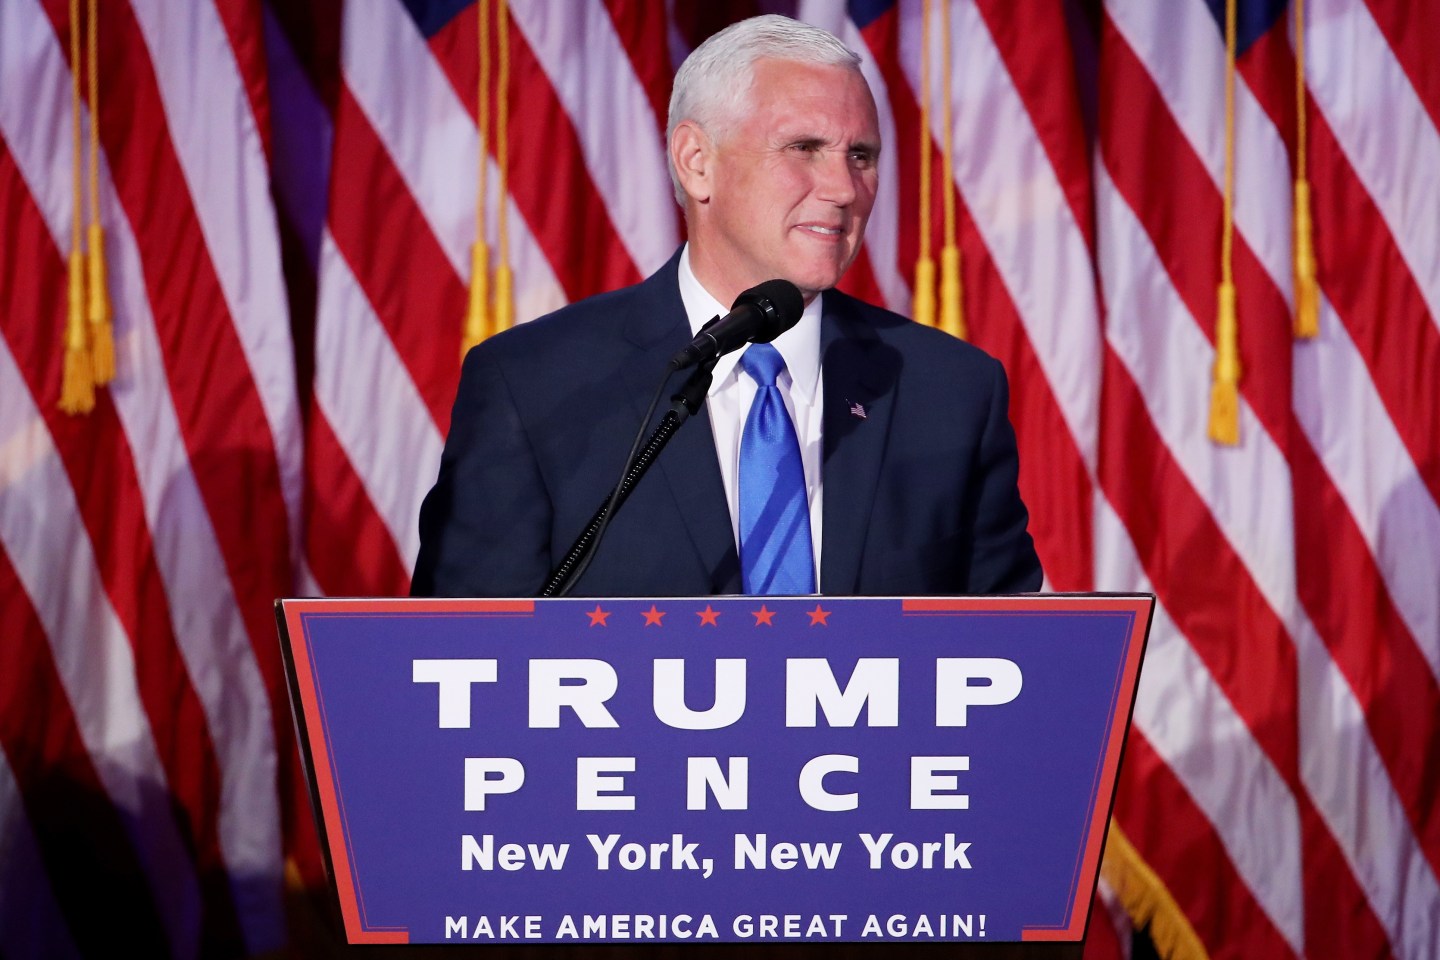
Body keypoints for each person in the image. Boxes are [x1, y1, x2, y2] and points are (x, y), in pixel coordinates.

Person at [411, 14, 1041, 599]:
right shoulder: (536, 384)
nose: (844, 188)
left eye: (862, 155)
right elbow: (457, 663)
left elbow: (1011, 665)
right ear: (697, 163)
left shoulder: (951, 390)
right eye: (803, 147)